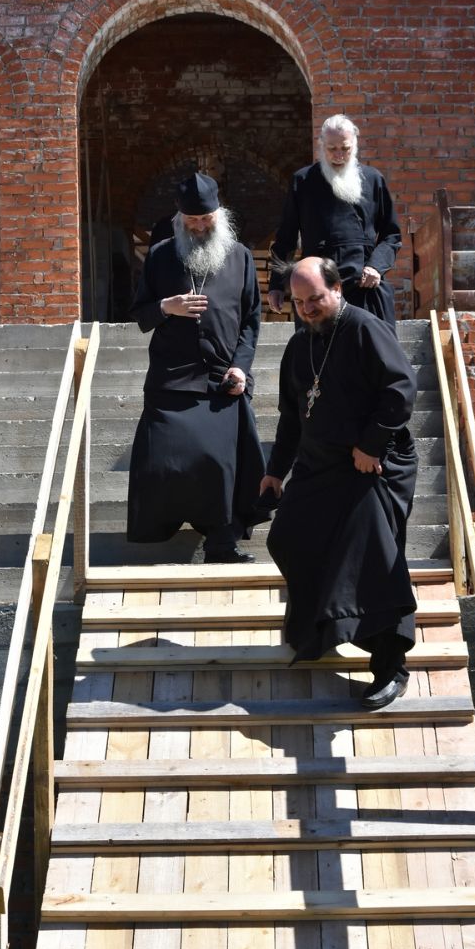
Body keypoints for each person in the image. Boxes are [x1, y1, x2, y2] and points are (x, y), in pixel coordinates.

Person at [260, 256, 418, 709]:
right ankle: (323, 628)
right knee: (287, 537)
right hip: (320, 465)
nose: (307, 309)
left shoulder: (365, 329)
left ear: (337, 290)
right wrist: (275, 470)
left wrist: (371, 444)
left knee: (370, 554)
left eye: (315, 299)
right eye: (299, 303)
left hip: (373, 464)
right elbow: (292, 417)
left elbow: (401, 389)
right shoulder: (299, 345)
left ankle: (390, 666)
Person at [127, 171, 266, 563]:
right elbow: (141, 314)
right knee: (164, 461)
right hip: (172, 379)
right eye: (193, 221)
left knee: (222, 463)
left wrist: (241, 368)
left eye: (207, 219)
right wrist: (166, 307)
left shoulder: (239, 256)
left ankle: (222, 542)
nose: (201, 227)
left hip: (222, 378)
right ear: (179, 218)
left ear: (219, 214)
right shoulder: (160, 255)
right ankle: (161, 531)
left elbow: (251, 320)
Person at [268, 114, 402, 328]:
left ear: (354, 145)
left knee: (372, 346)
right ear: (321, 145)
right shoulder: (303, 181)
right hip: (317, 286)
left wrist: (376, 266)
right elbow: (286, 237)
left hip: (364, 283)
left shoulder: (373, 179)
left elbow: (391, 234)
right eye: (332, 149)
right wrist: (276, 285)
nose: (339, 155)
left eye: (345, 148)